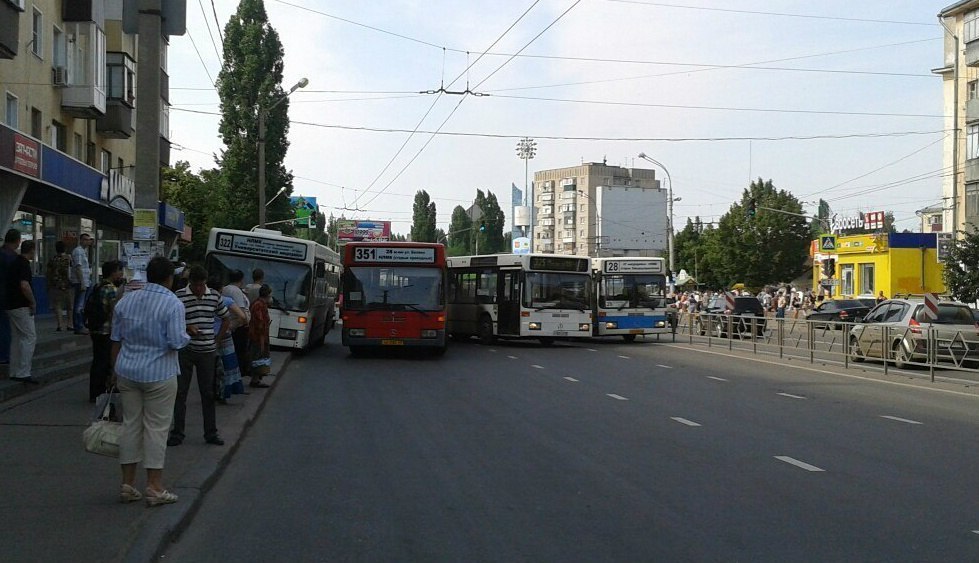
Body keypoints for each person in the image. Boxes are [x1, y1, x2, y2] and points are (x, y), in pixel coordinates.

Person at [112, 256, 189, 506]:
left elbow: (115, 338)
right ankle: (155, 487)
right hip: (159, 373)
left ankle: (127, 485)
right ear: (169, 278)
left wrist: (114, 370)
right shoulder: (172, 304)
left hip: (127, 370)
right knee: (156, 429)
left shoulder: (126, 300)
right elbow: (176, 341)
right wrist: (189, 335)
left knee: (130, 425)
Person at [169, 266, 230, 447]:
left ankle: (211, 433)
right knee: (180, 393)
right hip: (185, 349)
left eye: (202, 285)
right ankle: (177, 433)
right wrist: (187, 328)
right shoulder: (179, 296)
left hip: (207, 351)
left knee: (208, 393)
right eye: (196, 285)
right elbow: (173, 320)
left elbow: (225, 318)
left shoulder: (214, 296)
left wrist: (217, 340)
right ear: (190, 283)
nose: (199, 289)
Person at [88, 260, 125, 403]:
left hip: (95, 329)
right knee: (106, 362)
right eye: (119, 270)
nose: (121, 274)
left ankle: (94, 392)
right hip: (106, 330)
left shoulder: (98, 286)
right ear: (113, 272)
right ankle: (103, 392)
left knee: (97, 361)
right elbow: (114, 312)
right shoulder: (112, 290)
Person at [210, 276, 247, 401]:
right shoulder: (226, 301)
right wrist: (231, 327)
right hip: (225, 337)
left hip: (208, 337)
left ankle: (211, 391)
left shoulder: (204, 299)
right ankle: (223, 393)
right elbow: (243, 317)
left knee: (210, 367)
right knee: (226, 366)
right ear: (221, 288)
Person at [7, 240, 37, 384]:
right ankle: (24, 372)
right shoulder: (24, 264)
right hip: (22, 305)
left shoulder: (14, 263)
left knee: (17, 338)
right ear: (31, 250)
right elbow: (24, 285)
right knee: (29, 337)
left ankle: (14, 370)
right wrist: (32, 301)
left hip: (11, 304)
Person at [222, 270, 251, 385]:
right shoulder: (236, 291)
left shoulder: (226, 289)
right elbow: (242, 314)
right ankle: (234, 381)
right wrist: (233, 327)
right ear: (241, 279)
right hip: (238, 328)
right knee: (239, 354)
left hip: (232, 325)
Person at [0, 229, 21, 364]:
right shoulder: (13, 258)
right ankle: (5, 355)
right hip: (7, 296)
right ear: (18, 241)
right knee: (6, 326)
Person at [248, 284, 272, 388]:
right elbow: (260, 323)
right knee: (258, 356)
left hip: (259, 336)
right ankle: (255, 379)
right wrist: (262, 340)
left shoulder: (260, 304)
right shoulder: (259, 305)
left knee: (259, 356)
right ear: (267, 295)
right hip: (258, 337)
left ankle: (257, 379)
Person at [45, 240, 73, 331]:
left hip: (56, 285)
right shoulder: (68, 258)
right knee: (70, 306)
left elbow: (48, 273)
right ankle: (70, 324)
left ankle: (60, 325)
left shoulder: (52, 259)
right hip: (68, 284)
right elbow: (72, 270)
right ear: (65, 248)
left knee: (57, 305)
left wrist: (48, 284)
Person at [70, 233, 93, 334]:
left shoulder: (83, 251)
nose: (87, 242)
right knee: (79, 305)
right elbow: (78, 267)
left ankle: (82, 324)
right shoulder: (78, 251)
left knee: (83, 304)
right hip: (81, 282)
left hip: (86, 282)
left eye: (88, 240)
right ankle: (79, 326)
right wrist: (82, 283)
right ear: (81, 240)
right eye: (85, 239)